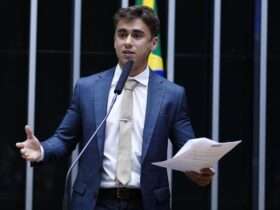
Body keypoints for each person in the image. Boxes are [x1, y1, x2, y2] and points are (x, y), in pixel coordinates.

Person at [16, 5, 214, 210]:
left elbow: (188, 150)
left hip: (146, 202)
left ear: (153, 43)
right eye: (122, 34)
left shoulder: (172, 95)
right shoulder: (87, 89)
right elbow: (64, 139)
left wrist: (197, 170)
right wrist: (41, 150)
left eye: (136, 35)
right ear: (114, 41)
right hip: (95, 202)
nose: (127, 42)